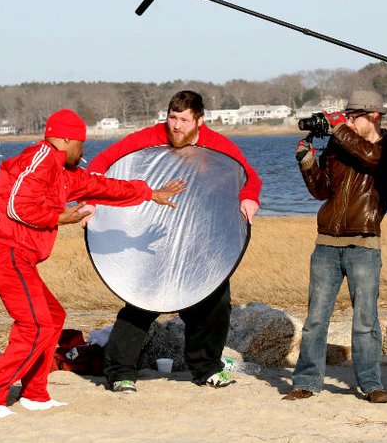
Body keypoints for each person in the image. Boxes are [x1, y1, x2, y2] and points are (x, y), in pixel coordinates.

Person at [0, 109, 186, 419]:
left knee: (54, 317)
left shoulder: (64, 172)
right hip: (7, 255)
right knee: (35, 325)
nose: (84, 153)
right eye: (81, 146)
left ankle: (34, 393)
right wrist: (62, 217)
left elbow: (105, 187)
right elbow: (17, 206)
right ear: (67, 139)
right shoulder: (39, 158)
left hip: (22, 260)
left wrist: (149, 193)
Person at [86, 90, 262, 393]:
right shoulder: (149, 137)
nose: (176, 126)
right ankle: (119, 372)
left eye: (183, 120)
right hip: (155, 238)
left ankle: (207, 367)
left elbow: (248, 176)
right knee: (141, 304)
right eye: (172, 117)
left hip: (199, 240)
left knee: (215, 302)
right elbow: (101, 165)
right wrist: (91, 201)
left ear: (199, 120)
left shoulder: (217, 145)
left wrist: (248, 198)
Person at [282, 90, 387, 403]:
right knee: (315, 320)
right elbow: (322, 190)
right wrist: (307, 161)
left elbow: (371, 159)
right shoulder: (340, 145)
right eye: (346, 116)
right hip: (326, 242)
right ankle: (307, 382)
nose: (348, 121)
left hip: (364, 244)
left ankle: (371, 384)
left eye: (354, 117)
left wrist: (338, 128)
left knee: (365, 320)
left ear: (374, 116)